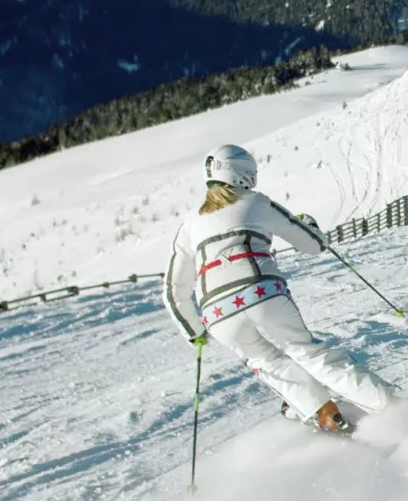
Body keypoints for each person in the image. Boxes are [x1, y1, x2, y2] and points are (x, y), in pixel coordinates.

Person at [162, 145, 396, 434]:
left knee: (266, 362)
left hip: (218, 315)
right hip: (260, 292)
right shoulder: (256, 202)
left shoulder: (189, 223)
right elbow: (312, 244)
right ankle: (394, 412)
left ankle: (325, 414)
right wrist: (310, 226)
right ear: (243, 173)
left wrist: (195, 332)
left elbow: (174, 289)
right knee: (307, 354)